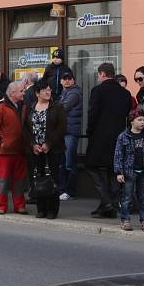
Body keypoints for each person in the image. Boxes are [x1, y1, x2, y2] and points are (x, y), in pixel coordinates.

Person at [85, 62, 132, 219]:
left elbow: (92, 114)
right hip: (119, 137)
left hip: (99, 136)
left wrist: (89, 132)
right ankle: (108, 205)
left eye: (98, 74)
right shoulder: (125, 94)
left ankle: (106, 202)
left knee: (91, 167)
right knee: (113, 170)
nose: (98, 77)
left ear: (103, 74)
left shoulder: (98, 91)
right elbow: (127, 116)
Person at [22, 81, 67, 219]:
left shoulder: (57, 107)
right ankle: (41, 209)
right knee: (37, 179)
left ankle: (52, 210)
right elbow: (24, 128)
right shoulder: (30, 107)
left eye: (49, 90)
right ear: (37, 93)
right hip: (35, 150)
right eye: (45, 90)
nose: (48, 92)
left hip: (52, 150)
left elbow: (61, 128)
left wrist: (49, 144)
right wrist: (32, 144)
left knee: (52, 179)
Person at [113, 109, 144, 232]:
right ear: (132, 121)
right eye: (139, 120)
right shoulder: (123, 136)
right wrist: (119, 172)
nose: (143, 122)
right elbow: (118, 155)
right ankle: (125, 220)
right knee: (127, 197)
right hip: (128, 172)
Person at [0, 81, 27, 215]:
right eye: (22, 91)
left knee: (20, 180)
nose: (24, 93)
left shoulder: (23, 105)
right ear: (12, 93)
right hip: (3, 152)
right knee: (3, 180)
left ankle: (20, 205)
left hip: (20, 150)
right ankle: (0, 205)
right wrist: (2, 142)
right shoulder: (0, 105)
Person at [58, 73, 82, 201]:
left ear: (73, 80)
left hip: (70, 132)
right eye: (64, 79)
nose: (67, 81)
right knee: (63, 162)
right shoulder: (64, 92)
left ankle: (69, 191)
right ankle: (62, 190)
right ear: (61, 81)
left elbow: (63, 107)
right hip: (64, 131)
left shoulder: (74, 93)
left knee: (69, 162)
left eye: (69, 79)